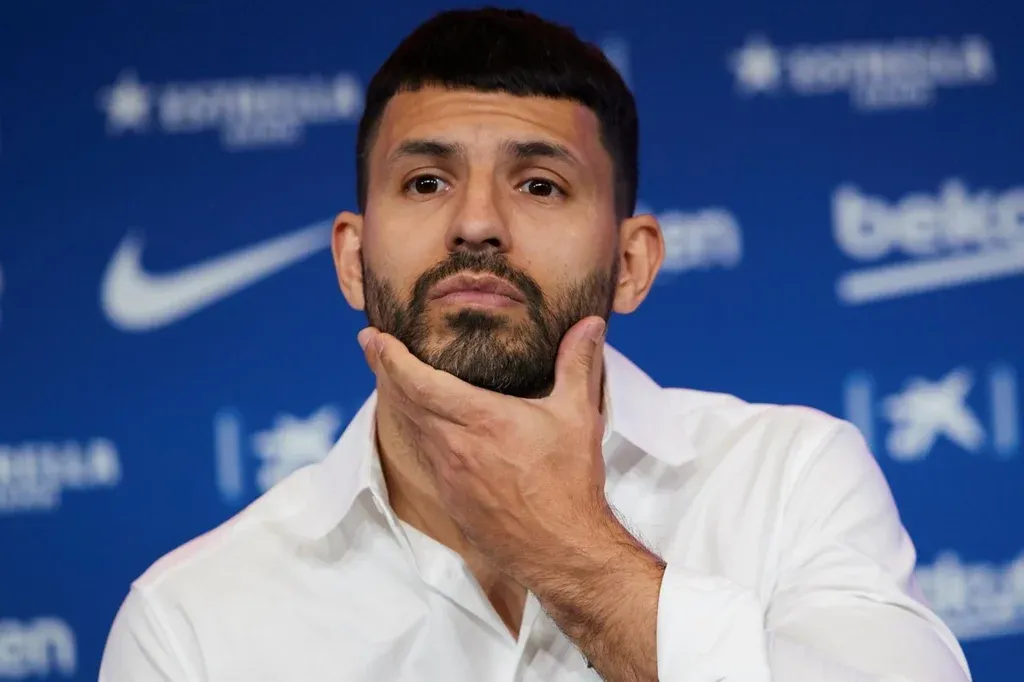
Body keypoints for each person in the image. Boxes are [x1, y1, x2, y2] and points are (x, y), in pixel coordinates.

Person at [99, 8, 972, 682]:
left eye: (541, 184)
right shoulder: (191, 620)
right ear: (352, 259)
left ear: (631, 264)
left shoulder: (789, 482)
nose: (477, 222)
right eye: (426, 181)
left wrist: (571, 552)